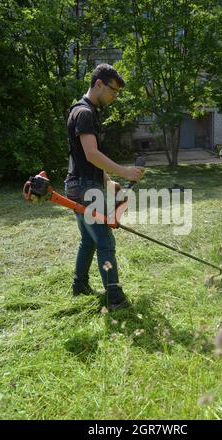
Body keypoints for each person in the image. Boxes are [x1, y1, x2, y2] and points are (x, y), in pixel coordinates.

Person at [65, 64, 144, 311]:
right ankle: (115, 298)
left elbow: (83, 156)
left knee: (89, 241)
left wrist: (108, 180)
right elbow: (90, 154)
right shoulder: (85, 113)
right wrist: (125, 171)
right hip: (84, 187)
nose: (114, 96)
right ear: (99, 84)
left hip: (80, 184)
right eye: (113, 90)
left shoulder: (83, 110)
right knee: (105, 242)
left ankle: (80, 286)